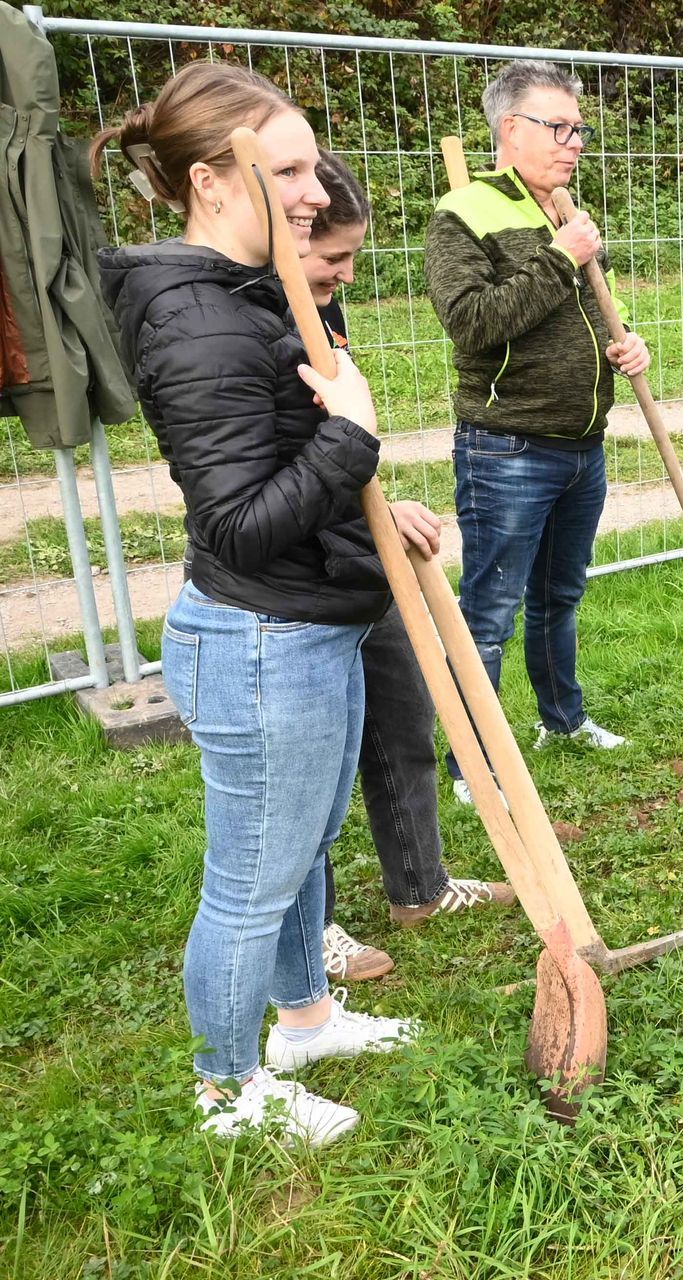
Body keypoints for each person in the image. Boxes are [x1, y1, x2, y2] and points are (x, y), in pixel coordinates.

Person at [95, 63, 420, 1144]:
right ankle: (229, 1090)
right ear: (211, 179)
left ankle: (306, 1022)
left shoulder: (257, 291)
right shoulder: (200, 324)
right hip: (261, 641)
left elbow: (284, 467)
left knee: (302, 850)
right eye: (287, 171)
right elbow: (238, 522)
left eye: (309, 166)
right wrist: (352, 436)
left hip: (308, 624)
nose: (316, 191)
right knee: (252, 880)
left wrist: (371, 495)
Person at [300, 151, 516, 983]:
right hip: (293, 573)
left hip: (359, 550)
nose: (348, 275)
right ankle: (308, 930)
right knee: (313, 770)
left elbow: (338, 440)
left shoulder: (324, 306)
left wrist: (381, 513)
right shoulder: (254, 320)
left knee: (403, 718)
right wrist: (373, 513)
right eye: (335, 257)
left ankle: (420, 888)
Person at [424, 60, 649, 806]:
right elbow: (472, 322)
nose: (574, 141)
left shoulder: (565, 210)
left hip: (583, 445)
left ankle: (563, 721)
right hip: (508, 449)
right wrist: (561, 258)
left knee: (560, 596)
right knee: (490, 612)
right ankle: (473, 764)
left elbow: (593, 311)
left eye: (578, 128)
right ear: (510, 129)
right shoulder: (463, 213)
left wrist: (627, 345)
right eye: (559, 127)